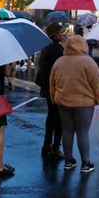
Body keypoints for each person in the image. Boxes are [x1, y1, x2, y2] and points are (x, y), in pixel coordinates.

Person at [49, 35, 99, 173]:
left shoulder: (59, 62)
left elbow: (52, 83)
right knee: (82, 133)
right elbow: (98, 84)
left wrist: (53, 98)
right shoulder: (88, 62)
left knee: (67, 131)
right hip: (84, 104)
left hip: (63, 102)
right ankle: (85, 163)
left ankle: (68, 160)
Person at [35, 22, 65, 159]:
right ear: (54, 35)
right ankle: (55, 147)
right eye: (60, 33)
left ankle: (46, 145)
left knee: (51, 117)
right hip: (56, 88)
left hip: (47, 87)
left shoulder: (46, 48)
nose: (62, 35)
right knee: (58, 118)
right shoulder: (58, 50)